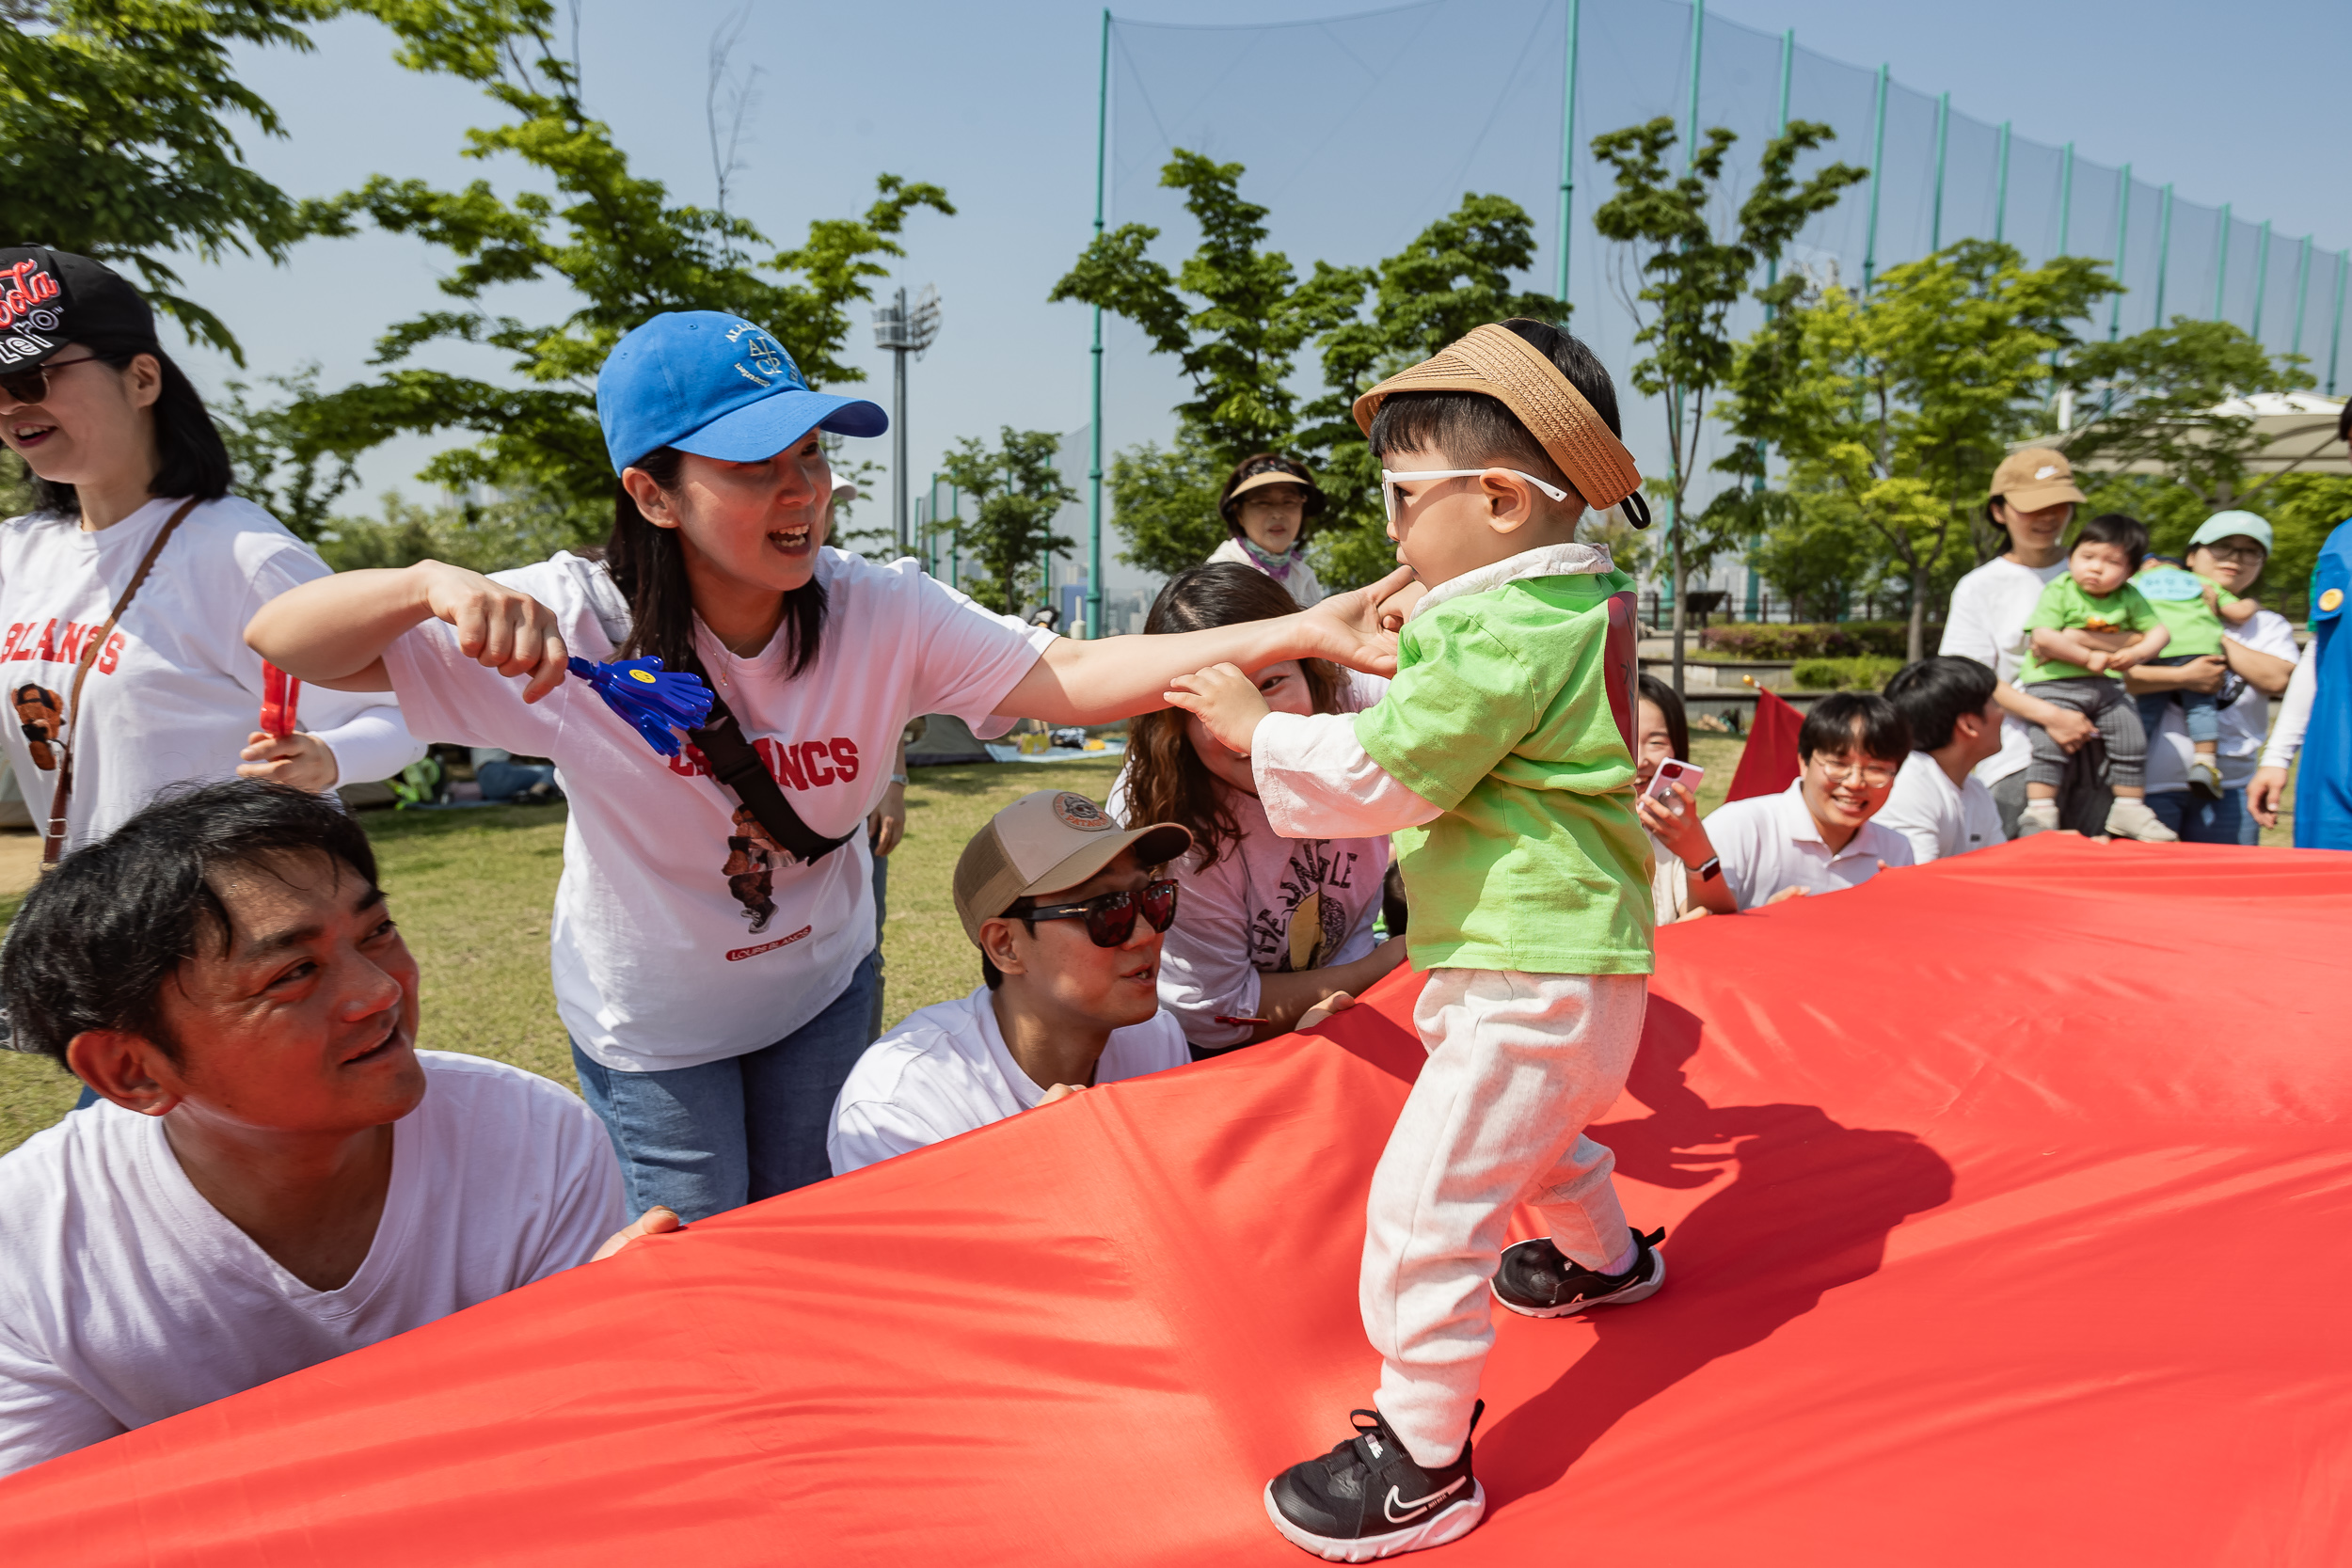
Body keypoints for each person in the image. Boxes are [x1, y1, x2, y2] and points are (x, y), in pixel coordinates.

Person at [246, 309, 1413, 1224]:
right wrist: (426, 583)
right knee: (697, 1261)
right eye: (756, 466)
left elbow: (1069, 672)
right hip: (654, 1024)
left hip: (819, 986)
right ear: (651, 493)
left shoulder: (878, 610)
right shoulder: (576, 621)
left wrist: (1294, 632)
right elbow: (285, 635)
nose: (804, 491)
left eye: (811, 455)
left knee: (825, 1228)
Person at [1168, 319, 1661, 1559]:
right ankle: (1606, 1264)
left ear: (1497, 498)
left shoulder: (1501, 629)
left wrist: (1254, 725)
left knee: (1430, 1206)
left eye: (1401, 499)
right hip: (1564, 964)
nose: (1388, 531)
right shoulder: (1558, 598)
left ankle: (1420, 1454)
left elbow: (1393, 766)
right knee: (1539, 1142)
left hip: (1530, 967)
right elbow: (1460, 718)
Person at [0, 782, 669, 1480]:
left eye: (377, 931)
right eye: (294, 972)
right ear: (133, 1069)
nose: (381, 991)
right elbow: (54, 1528)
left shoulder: (531, 1140)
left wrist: (599, 1346)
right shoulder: (29, 1252)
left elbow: (582, 1452)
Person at [0, 246, 421, 857]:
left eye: (29, 378)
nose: (11, 406)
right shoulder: (15, 557)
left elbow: (403, 714)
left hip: (244, 926)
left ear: (142, 378)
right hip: (101, 931)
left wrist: (328, 758)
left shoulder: (244, 556)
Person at [1112, 562, 1405, 1056]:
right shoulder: (1164, 814)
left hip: (1355, 1004)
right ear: (1169, 719)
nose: (1246, 724)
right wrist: (1387, 962)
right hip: (1219, 1058)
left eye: (1270, 684)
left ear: (1315, 672)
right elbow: (1217, 1015)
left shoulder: (1351, 700)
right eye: (1210, 698)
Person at [827, 789, 1192, 1175]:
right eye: (1105, 910)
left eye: (1153, 898)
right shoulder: (901, 1107)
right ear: (1006, 947)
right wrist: (1034, 1166)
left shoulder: (1156, 1039)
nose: (1146, 933)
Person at [1644, 691, 1916, 912]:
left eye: (1877, 769)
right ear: (1804, 762)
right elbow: (1701, 925)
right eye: (1838, 764)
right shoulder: (1739, 826)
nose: (1855, 782)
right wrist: (1767, 921)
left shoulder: (1896, 851)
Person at [1939, 448, 2091, 839]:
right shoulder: (1980, 587)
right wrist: (2054, 717)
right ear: (1998, 511)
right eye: (2032, 507)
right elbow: (1969, 676)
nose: (2048, 516)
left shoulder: (2101, 572)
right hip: (2017, 760)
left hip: (2104, 753)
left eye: (2060, 504)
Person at [2134, 514, 2299, 845]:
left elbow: (2277, 680)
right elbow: (2118, 676)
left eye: (2250, 552)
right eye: (2223, 547)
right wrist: (2182, 673)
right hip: (2148, 784)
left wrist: (2208, 629)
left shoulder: (2267, 624)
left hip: (2232, 787)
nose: (2235, 559)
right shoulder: (2143, 608)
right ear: (2192, 556)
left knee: (2226, 891)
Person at [2013, 513, 2175, 841]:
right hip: (2054, 684)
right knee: (2047, 745)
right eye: (2087, 557)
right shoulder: (2061, 589)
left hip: (2107, 687)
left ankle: (2129, 807)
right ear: (2072, 557)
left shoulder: (2129, 596)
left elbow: (2160, 633)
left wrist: (2136, 654)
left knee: (2132, 735)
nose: (2096, 568)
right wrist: (2089, 657)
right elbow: (2043, 636)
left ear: (2130, 571)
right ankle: (2040, 811)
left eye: (2111, 562)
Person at [2128, 539, 2262, 800]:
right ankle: (2204, 763)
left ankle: (2130, 761)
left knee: (2145, 708)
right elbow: (2239, 612)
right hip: (2200, 647)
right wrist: (2253, 603)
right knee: (2201, 707)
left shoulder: (2136, 584)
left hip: (2157, 647)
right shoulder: (2201, 583)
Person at [1877, 657, 2007, 863]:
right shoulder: (1909, 785)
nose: (2002, 712)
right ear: (1969, 725)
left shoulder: (1976, 789)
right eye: (1994, 702)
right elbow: (1917, 884)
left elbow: (2001, 868)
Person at [1209, 453, 1327, 607]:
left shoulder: (1303, 574)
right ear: (1239, 514)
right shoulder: (1221, 573)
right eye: (1263, 502)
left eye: (1289, 501)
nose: (1277, 514)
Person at [1632, 673, 1699, 922]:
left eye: (1656, 742)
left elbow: (1694, 911)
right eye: (1625, 740)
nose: (1639, 761)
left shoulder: (1676, 830)